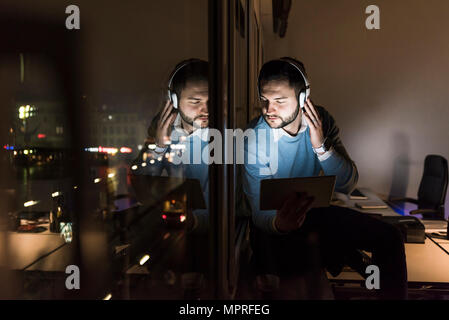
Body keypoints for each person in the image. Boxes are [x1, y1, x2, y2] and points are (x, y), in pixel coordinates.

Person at [243, 57, 408, 299]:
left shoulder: (321, 120)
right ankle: (343, 256)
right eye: (265, 101)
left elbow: (347, 183)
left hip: (312, 214)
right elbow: (257, 210)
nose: (269, 110)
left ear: (302, 99)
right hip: (273, 227)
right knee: (298, 250)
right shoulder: (253, 137)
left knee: (390, 237)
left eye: (279, 101)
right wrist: (280, 223)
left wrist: (321, 146)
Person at [131, 58, 210, 233]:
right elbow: (140, 186)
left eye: (210, 101)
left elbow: (226, 204)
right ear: (174, 100)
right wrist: (159, 147)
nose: (206, 110)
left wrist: (195, 220)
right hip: (170, 231)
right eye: (196, 101)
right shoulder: (164, 131)